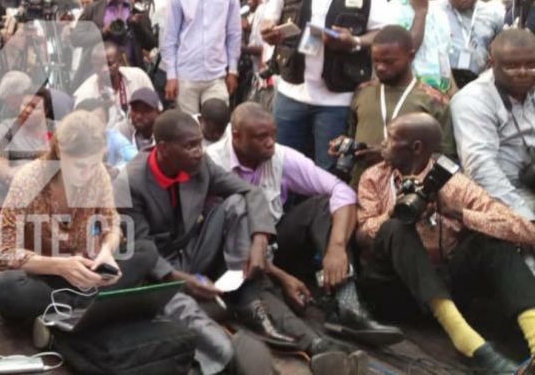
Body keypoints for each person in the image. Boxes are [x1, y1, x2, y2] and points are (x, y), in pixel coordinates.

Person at [207, 103, 402, 347]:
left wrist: (336, 248)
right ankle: (313, 339)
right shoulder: (213, 164)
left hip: (277, 244)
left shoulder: (279, 156)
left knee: (323, 205)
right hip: (237, 259)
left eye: (273, 135)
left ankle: (348, 304)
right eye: (261, 137)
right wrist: (282, 277)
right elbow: (224, 241)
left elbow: (340, 191)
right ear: (236, 136)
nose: (270, 143)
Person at [357, 113, 535, 372]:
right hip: (395, 293)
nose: (382, 144)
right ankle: (471, 344)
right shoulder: (374, 177)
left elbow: (525, 231)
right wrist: (394, 212)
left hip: (446, 288)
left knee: (492, 241)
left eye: (391, 138)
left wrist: (457, 213)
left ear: (416, 148)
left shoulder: (453, 183)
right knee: (395, 228)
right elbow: (361, 234)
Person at [116, 110, 278, 375]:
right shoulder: (130, 182)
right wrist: (183, 280)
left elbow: (249, 191)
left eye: (200, 143)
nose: (199, 151)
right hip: (155, 270)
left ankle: (239, 285)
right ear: (164, 148)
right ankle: (224, 354)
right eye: (190, 145)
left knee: (237, 204)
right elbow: (141, 253)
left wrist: (260, 239)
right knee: (198, 325)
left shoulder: (200, 165)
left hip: (191, 250)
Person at [0, 110, 158, 320]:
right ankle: (91, 306)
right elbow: (3, 253)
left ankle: (70, 310)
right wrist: (59, 266)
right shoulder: (29, 179)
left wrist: (107, 250)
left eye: (93, 165)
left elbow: (111, 223)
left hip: (85, 268)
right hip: (41, 275)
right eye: (79, 166)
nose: (87, 174)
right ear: (59, 151)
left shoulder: (98, 174)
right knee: (5, 287)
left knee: (145, 250)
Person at [260, 0, 389, 170]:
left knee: (327, 171)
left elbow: (381, 33)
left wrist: (353, 41)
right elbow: (269, 19)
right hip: (291, 93)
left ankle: (319, 211)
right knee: (283, 167)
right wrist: (268, 32)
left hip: (336, 100)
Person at [331, 26, 454, 187]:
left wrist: (391, 155)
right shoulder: (363, 91)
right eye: (376, 61)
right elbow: (352, 135)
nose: (381, 67)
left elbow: (447, 159)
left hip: (407, 193)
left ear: (411, 56)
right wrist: (344, 145)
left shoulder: (433, 100)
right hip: (361, 189)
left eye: (389, 62)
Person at [451, 28, 535, 220]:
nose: (523, 72)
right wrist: (525, 218)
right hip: (505, 192)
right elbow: (480, 168)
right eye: (512, 66)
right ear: (492, 63)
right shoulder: (473, 99)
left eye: (531, 65)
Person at [163, 0, 241, 114]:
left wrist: (233, 70)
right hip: (186, 76)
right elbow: (170, 38)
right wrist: (171, 75)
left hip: (216, 75)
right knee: (187, 130)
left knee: (218, 125)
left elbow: (234, 33)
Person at [70, 0, 156, 87]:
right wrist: (104, 32)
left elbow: (151, 44)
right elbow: (75, 38)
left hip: (129, 77)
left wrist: (137, 26)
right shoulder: (93, 9)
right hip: (96, 76)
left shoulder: (137, 12)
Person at [386, 0, 453, 94]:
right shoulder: (392, 11)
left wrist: (452, 91)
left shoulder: (438, 11)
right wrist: (420, 12)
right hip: (410, 94)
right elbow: (405, 52)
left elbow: (444, 56)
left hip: (441, 93)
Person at [442, 0, 503, 88]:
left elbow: (497, 48)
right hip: (445, 80)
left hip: (481, 81)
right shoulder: (436, 13)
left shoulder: (493, 14)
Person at [73, 41, 155, 127]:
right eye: (99, 65)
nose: (104, 69)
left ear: (120, 61)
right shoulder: (85, 93)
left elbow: (156, 110)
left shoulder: (138, 77)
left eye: (109, 64)